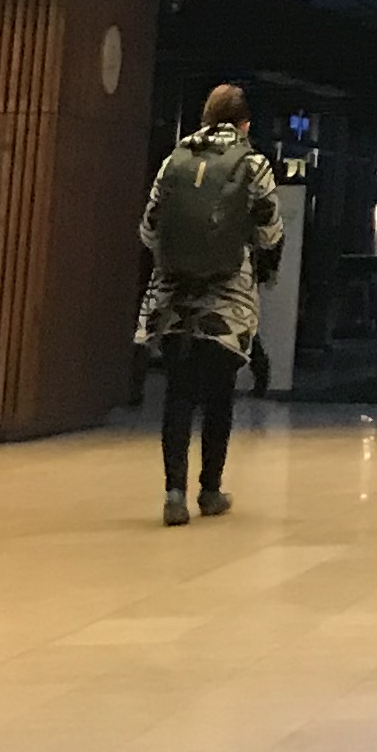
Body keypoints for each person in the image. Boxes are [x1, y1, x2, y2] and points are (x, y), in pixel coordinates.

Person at [140, 83, 283, 526]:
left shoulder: (174, 160)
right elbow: (270, 232)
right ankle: (210, 490)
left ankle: (173, 494)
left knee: (178, 394)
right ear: (245, 124)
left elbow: (148, 229)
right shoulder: (253, 163)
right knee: (220, 394)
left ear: (204, 117)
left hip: (174, 295)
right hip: (228, 300)